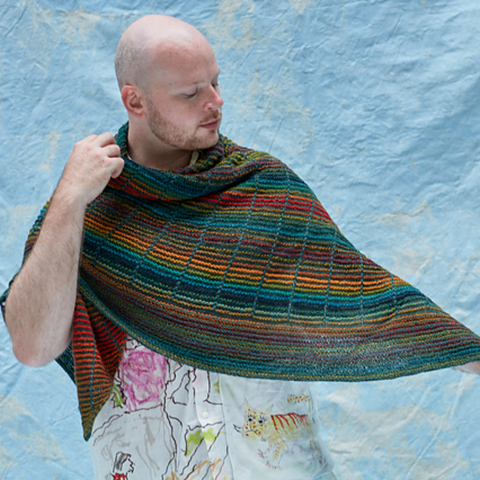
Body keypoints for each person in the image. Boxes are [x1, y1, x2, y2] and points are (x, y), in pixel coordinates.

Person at [2, 14, 480, 480]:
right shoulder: (86, 211)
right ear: (135, 101)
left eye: (214, 81)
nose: (215, 101)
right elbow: (33, 346)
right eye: (190, 93)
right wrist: (68, 200)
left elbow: (371, 301)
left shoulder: (261, 191)